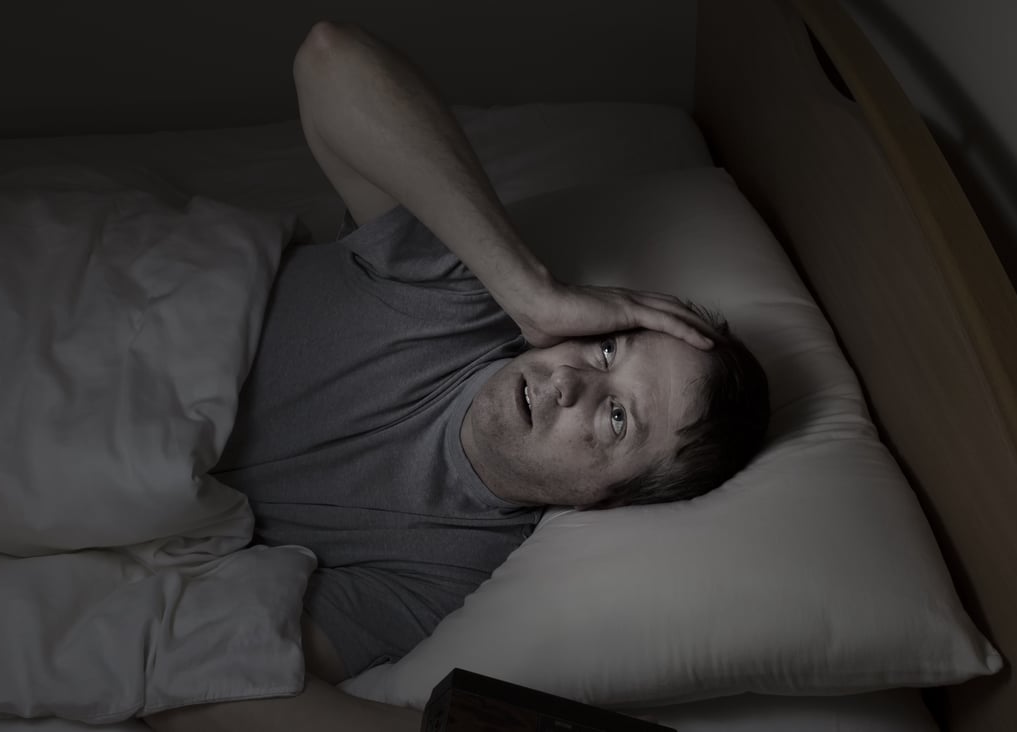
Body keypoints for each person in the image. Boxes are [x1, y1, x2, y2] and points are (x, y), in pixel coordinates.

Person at [147, 19, 768, 732]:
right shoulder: (462, 294)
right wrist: (528, 288)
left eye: (617, 417)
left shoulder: (440, 575)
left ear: (606, 500)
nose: (570, 382)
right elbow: (328, 60)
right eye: (606, 352)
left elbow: (200, 689)